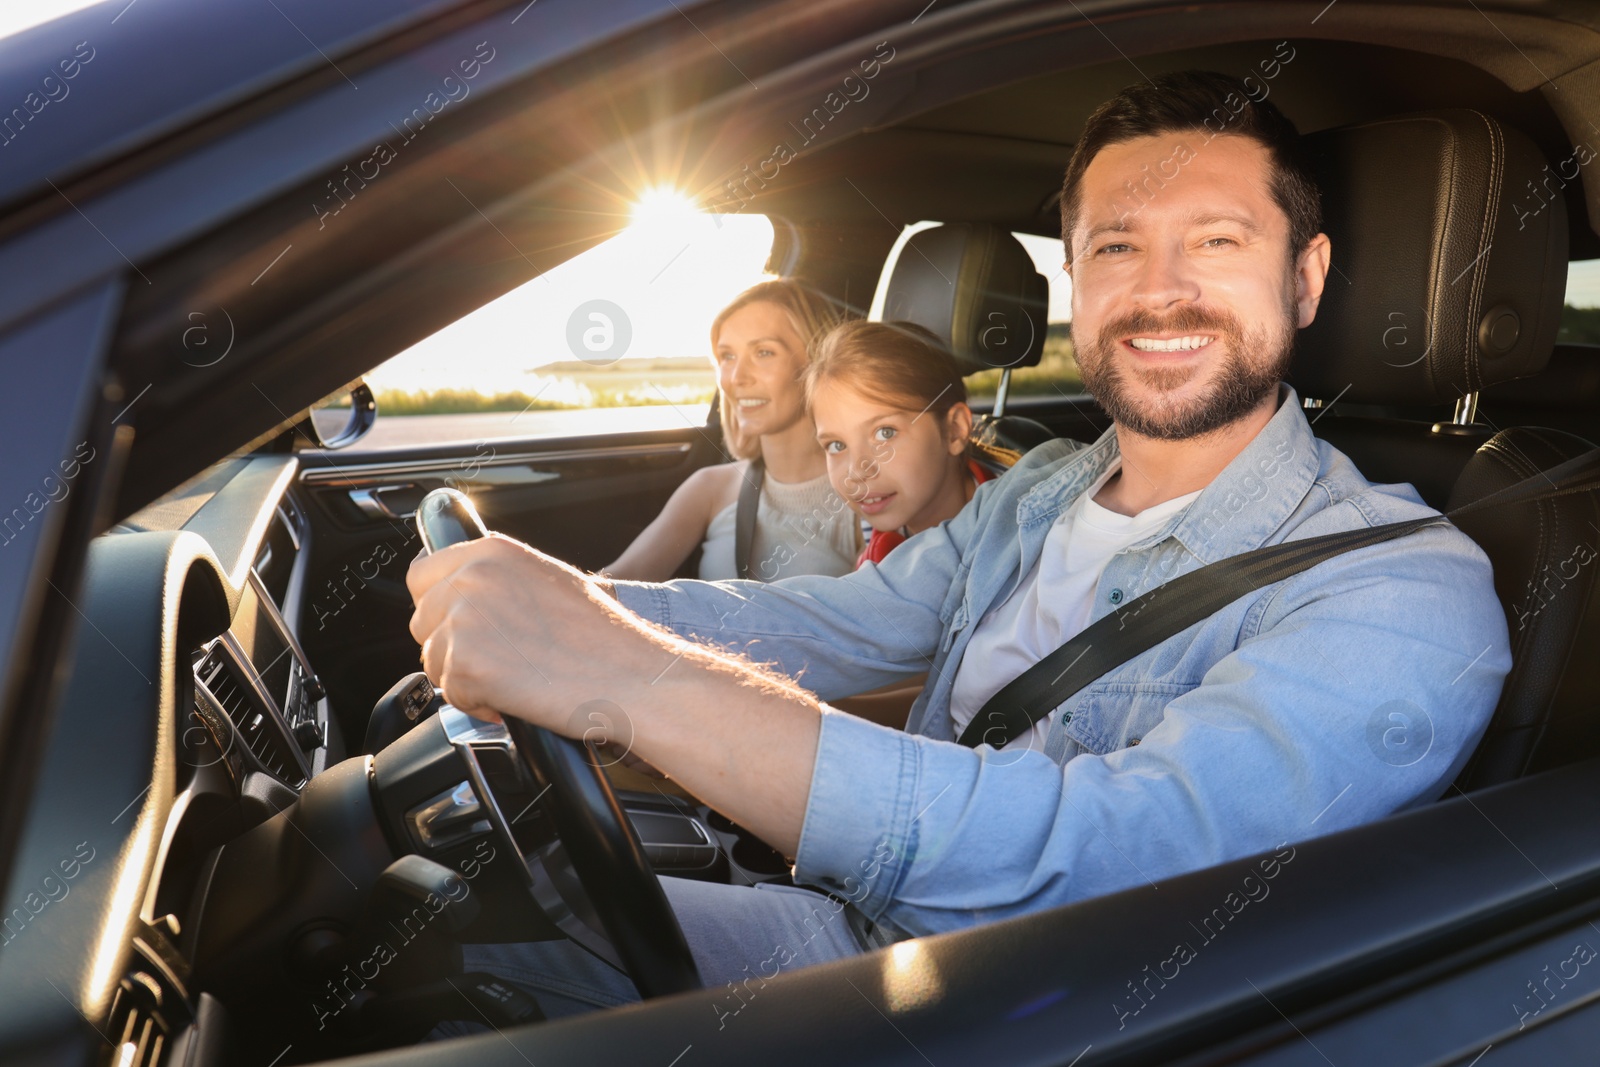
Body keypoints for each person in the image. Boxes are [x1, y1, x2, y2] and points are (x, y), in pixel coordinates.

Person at [410, 70, 1512, 1019]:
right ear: (1076, 282)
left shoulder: (1403, 585)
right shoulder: (1039, 488)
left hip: (1010, 1008)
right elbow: (839, 622)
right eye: (1116, 247)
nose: (1160, 288)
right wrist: (564, 609)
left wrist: (620, 673)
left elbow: (1106, 870)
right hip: (859, 920)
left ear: (1305, 276)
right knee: (425, 923)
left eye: (1217, 242)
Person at [600, 280, 861, 583]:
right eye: (727, 357)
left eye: (764, 352)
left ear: (819, 363)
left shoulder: (865, 496)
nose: (737, 377)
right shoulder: (711, 489)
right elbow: (612, 588)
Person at [806, 319, 1011, 568]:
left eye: (885, 433)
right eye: (837, 445)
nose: (857, 472)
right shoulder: (877, 535)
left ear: (954, 430)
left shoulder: (1022, 530)